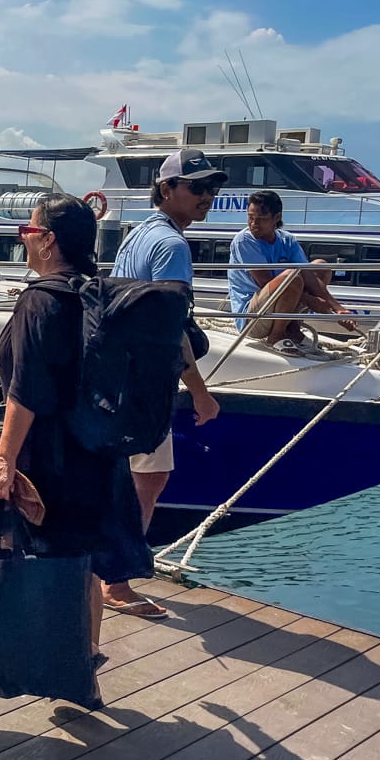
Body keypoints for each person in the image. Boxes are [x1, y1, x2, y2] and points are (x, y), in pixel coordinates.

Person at [0, 194, 155, 663]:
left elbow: (27, 391)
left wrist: (3, 462)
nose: (24, 240)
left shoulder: (41, 301)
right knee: (82, 562)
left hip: (50, 459)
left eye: (28, 231)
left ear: (49, 241)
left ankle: (50, 659)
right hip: (98, 454)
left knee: (44, 558)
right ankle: (85, 656)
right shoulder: (100, 293)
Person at [108, 148, 224, 618]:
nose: (207, 198)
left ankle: (110, 569)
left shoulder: (137, 236)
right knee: (150, 476)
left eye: (211, 189)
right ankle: (115, 582)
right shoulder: (172, 247)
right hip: (144, 381)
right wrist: (199, 390)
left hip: (117, 373)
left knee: (131, 476)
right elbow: (169, 328)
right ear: (166, 190)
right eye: (196, 188)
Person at [228, 190, 358, 354]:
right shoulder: (244, 240)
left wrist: (339, 309)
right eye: (250, 218)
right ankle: (276, 336)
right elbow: (264, 282)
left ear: (276, 218)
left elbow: (307, 273)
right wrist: (311, 300)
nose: (254, 224)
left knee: (320, 266)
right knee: (291, 276)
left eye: (261, 219)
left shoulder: (287, 240)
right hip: (253, 317)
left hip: (275, 306)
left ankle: (292, 327)